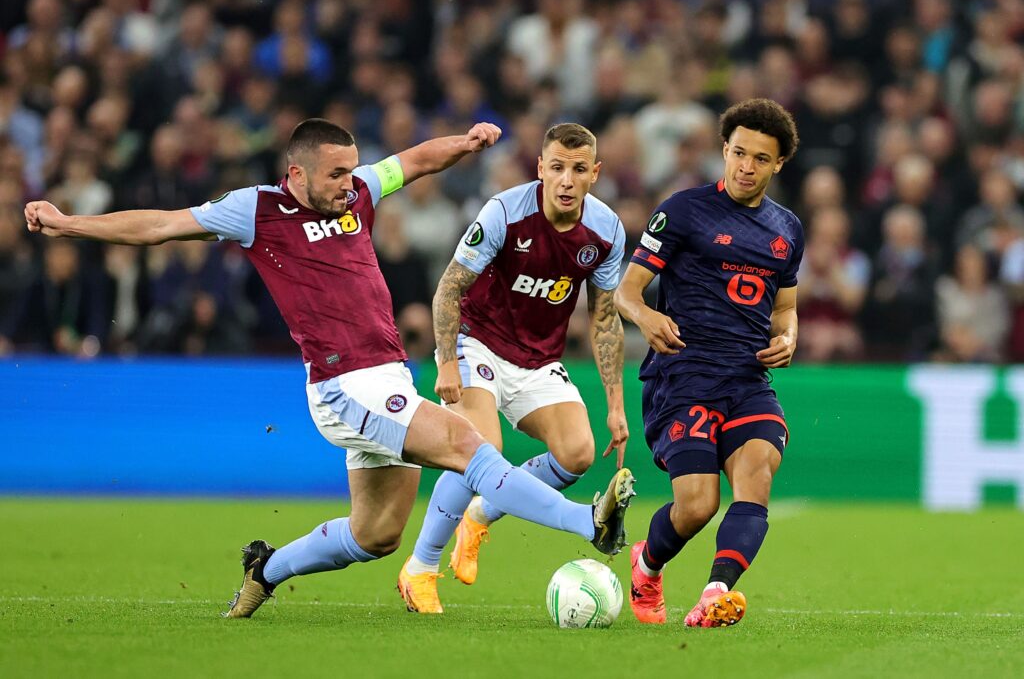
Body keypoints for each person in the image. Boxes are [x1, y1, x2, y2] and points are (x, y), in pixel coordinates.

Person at [23, 118, 637, 619]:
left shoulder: (359, 192)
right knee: (466, 443)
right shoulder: (255, 210)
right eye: (337, 174)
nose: (352, 183)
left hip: (388, 377)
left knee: (376, 535)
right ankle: (589, 525)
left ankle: (265, 569)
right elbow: (160, 226)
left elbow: (414, 161)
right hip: (344, 385)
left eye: (353, 170)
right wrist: (70, 224)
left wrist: (466, 142)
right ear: (297, 174)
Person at [398, 123, 630, 613]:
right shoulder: (504, 212)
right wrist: (446, 363)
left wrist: (615, 405)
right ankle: (420, 567)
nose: (567, 180)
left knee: (578, 453)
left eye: (579, 169)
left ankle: (480, 514)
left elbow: (605, 319)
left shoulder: (606, 231)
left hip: (538, 358)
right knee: (481, 451)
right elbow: (449, 288)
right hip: (476, 343)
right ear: (541, 169)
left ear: (595, 174)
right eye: (558, 168)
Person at [614, 98, 803, 628]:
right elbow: (626, 292)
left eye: (760, 159)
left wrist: (788, 337)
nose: (746, 166)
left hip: (747, 377)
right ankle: (647, 564)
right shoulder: (683, 210)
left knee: (759, 469)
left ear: (778, 164)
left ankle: (714, 593)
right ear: (724, 150)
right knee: (697, 505)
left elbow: (785, 309)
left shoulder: (787, 230)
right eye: (738, 153)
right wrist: (647, 318)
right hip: (684, 374)